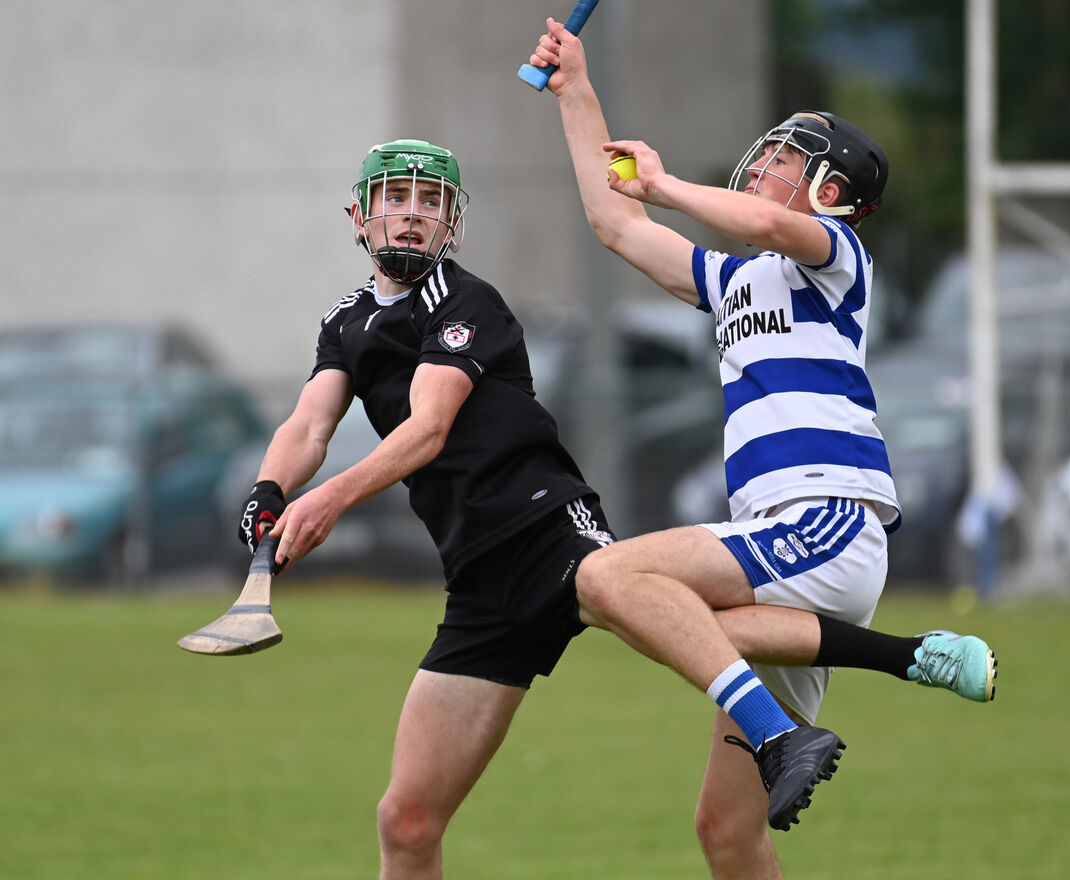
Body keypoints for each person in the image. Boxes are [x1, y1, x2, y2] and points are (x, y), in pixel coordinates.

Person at [236, 135, 993, 880]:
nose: (410, 216)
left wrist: (331, 495)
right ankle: (910, 657)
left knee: (620, 590)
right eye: (395, 200)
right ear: (358, 215)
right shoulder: (347, 319)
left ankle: (802, 721)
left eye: (428, 200)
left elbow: (429, 428)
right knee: (412, 821)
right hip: (482, 573)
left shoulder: (464, 300)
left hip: (557, 524)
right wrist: (271, 490)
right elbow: (308, 424)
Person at [528, 18, 997, 879]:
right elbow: (619, 227)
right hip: (777, 541)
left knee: (605, 579)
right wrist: (578, 93)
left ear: (828, 192)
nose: (764, 164)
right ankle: (905, 660)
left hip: (824, 517)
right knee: (727, 834)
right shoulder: (736, 279)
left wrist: (668, 185)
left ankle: (787, 736)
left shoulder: (834, 255)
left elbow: (766, 226)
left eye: (788, 160)